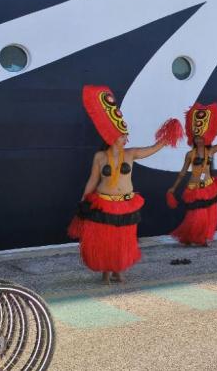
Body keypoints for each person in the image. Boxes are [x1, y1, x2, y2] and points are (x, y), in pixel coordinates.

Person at [68, 85, 182, 284]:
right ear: (111, 136)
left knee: (123, 240)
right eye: (122, 136)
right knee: (105, 240)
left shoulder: (131, 154)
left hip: (126, 203)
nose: (125, 138)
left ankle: (119, 270)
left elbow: (153, 148)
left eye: (125, 136)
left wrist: (167, 136)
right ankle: (105, 272)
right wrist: (83, 200)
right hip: (103, 203)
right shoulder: (100, 157)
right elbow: (93, 180)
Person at [166, 103, 217, 246]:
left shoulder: (210, 151)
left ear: (206, 138)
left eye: (201, 138)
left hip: (209, 187)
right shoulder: (190, 154)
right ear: (193, 138)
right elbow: (182, 173)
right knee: (196, 216)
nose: (199, 140)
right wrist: (173, 188)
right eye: (196, 138)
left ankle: (202, 238)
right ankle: (191, 237)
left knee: (210, 214)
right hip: (195, 187)